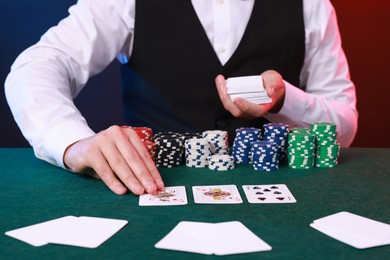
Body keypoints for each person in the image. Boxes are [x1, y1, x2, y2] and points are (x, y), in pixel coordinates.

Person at [4, 0, 358, 196]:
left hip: (284, 196)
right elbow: (37, 66)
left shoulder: (312, 5)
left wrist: (284, 101)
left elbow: (345, 125)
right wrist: (73, 141)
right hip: (151, 188)